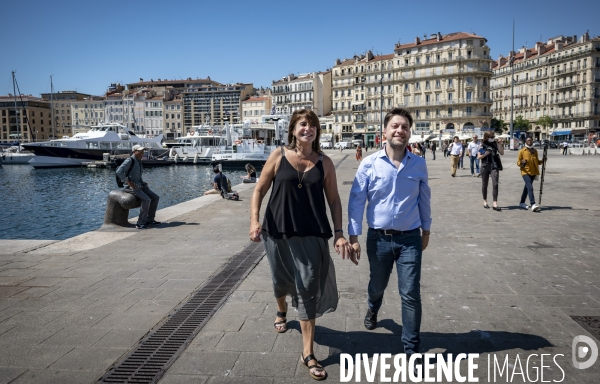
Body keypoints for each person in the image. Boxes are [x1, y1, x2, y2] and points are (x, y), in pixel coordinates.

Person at [249, 109, 354, 381]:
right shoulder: (278, 156)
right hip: (277, 233)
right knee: (280, 281)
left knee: (307, 287)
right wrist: (254, 221)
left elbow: (333, 200)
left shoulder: (325, 162)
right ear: (293, 129)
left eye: (313, 125)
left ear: (317, 131)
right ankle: (282, 310)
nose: (308, 129)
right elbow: (259, 188)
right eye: (303, 124)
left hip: (312, 234)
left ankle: (307, 353)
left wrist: (340, 232)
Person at [348, 107, 431, 366]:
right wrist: (353, 236)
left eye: (404, 127)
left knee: (410, 293)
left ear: (409, 133)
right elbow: (356, 201)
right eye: (395, 126)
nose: (400, 130)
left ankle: (411, 348)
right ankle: (373, 308)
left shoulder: (418, 163)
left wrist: (426, 229)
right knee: (378, 285)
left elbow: (424, 199)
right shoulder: (369, 164)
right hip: (379, 238)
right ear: (384, 131)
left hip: (410, 239)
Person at [116, 145, 161, 229]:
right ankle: (140, 223)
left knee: (155, 197)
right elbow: (119, 171)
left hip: (140, 185)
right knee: (146, 199)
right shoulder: (130, 160)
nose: (142, 153)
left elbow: (136, 175)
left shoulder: (139, 161)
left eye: (143, 151)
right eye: (140, 151)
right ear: (134, 152)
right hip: (131, 187)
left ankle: (150, 219)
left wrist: (142, 182)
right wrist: (128, 182)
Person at [518, 137, 546, 212]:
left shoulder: (535, 151)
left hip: (533, 172)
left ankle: (522, 202)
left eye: (531, 140)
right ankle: (533, 204)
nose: (529, 141)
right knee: (530, 187)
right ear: (525, 142)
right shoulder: (522, 151)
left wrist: (542, 161)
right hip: (525, 172)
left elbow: (536, 162)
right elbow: (518, 162)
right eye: (528, 140)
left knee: (527, 188)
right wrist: (522, 162)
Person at [477, 131, 505, 211]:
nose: (492, 139)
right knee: (484, 184)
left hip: (494, 165)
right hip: (485, 165)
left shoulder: (495, 144)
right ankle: (485, 201)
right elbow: (479, 157)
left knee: (495, 184)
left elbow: (502, 153)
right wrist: (485, 154)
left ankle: (495, 203)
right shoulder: (482, 145)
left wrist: (499, 144)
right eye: (491, 137)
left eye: (493, 137)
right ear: (486, 137)